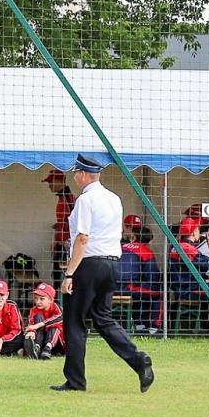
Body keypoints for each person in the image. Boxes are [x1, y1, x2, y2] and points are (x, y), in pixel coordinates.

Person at [57, 154, 154, 393]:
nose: (75, 176)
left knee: (75, 322)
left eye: (76, 172)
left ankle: (76, 381)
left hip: (89, 263)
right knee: (104, 318)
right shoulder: (114, 198)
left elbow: (82, 238)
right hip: (112, 263)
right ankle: (138, 360)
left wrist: (70, 273)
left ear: (83, 174)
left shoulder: (85, 200)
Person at [44, 168, 74, 283]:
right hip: (69, 241)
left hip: (66, 244)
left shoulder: (64, 200)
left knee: (59, 275)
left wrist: (57, 241)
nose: (49, 185)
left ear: (58, 182)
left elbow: (64, 223)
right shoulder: (69, 196)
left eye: (51, 182)